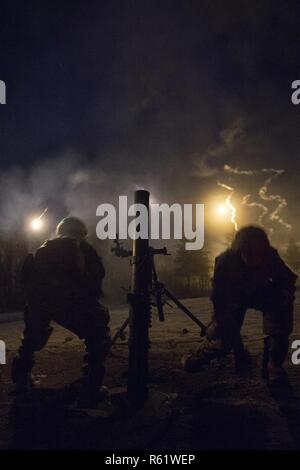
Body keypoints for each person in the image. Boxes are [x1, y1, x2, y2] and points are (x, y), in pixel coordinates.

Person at [12, 217, 111, 407]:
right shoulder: (84, 249)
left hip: (41, 304)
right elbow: (95, 279)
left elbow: (27, 279)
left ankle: (21, 379)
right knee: (98, 333)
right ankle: (91, 386)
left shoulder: (42, 248)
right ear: (82, 233)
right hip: (71, 304)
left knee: (30, 340)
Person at [182, 225, 297, 382]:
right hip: (234, 297)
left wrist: (284, 296)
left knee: (280, 326)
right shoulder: (225, 262)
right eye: (249, 254)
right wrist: (219, 324)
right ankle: (200, 355)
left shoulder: (270, 256)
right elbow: (219, 297)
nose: (254, 260)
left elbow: (287, 280)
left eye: (258, 254)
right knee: (223, 336)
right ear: (240, 251)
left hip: (264, 294)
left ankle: (273, 363)